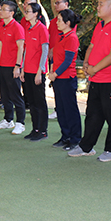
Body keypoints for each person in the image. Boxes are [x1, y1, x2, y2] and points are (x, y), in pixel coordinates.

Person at [68, 0, 111, 162]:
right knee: (92, 115)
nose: (97, 7)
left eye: (101, 4)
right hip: (96, 79)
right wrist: (87, 63)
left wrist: (94, 68)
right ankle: (86, 146)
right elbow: (92, 46)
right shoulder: (100, 25)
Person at [48, 9, 82, 151]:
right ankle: (65, 136)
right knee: (61, 109)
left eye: (60, 20)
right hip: (58, 78)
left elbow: (68, 61)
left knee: (70, 110)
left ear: (68, 23)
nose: (57, 22)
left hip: (67, 78)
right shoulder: (62, 36)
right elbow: (55, 57)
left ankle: (75, 139)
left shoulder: (72, 38)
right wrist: (52, 72)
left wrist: (55, 73)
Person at [0, 0, 26, 132]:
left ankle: (20, 123)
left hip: (13, 66)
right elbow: (0, 47)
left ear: (11, 13)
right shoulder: (2, 27)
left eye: (4, 9)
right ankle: (8, 119)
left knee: (15, 95)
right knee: (5, 95)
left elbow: (21, 48)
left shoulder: (17, 27)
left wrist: (17, 66)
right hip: (3, 66)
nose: (0, 12)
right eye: (1, 9)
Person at [20, 1, 49, 141]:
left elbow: (44, 51)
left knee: (39, 102)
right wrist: (22, 68)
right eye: (25, 11)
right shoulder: (28, 28)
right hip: (28, 70)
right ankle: (35, 128)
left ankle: (43, 130)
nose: (26, 14)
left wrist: (40, 71)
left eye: (28, 11)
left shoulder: (42, 29)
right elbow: (26, 51)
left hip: (37, 71)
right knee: (31, 102)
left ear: (36, 14)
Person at [49, 0, 72, 119]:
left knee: (68, 105)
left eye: (58, 3)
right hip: (54, 59)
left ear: (66, 4)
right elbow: (50, 37)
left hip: (64, 66)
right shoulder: (54, 22)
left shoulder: (70, 20)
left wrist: (54, 49)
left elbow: (68, 58)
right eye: (55, 3)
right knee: (56, 88)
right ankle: (57, 108)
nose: (55, 5)